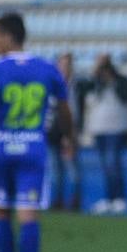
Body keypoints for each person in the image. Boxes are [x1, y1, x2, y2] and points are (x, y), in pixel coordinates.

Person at [0, 12, 73, 252]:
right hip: (33, 147)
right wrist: (69, 139)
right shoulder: (46, 68)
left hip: (0, 146)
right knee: (28, 214)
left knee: (1, 210)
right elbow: (64, 109)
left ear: (9, 36)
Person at [78, 54, 127, 215]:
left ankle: (119, 198)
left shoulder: (121, 81)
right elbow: (82, 89)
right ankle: (109, 198)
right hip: (99, 129)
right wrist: (95, 71)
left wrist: (111, 78)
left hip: (116, 129)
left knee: (113, 164)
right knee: (106, 167)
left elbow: (124, 96)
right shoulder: (95, 83)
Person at [47, 53, 81, 212]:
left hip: (69, 132)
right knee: (56, 168)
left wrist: (70, 135)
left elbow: (74, 112)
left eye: (67, 65)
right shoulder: (52, 85)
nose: (64, 68)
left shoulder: (74, 86)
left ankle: (74, 200)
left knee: (71, 167)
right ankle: (58, 199)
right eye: (61, 64)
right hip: (54, 132)